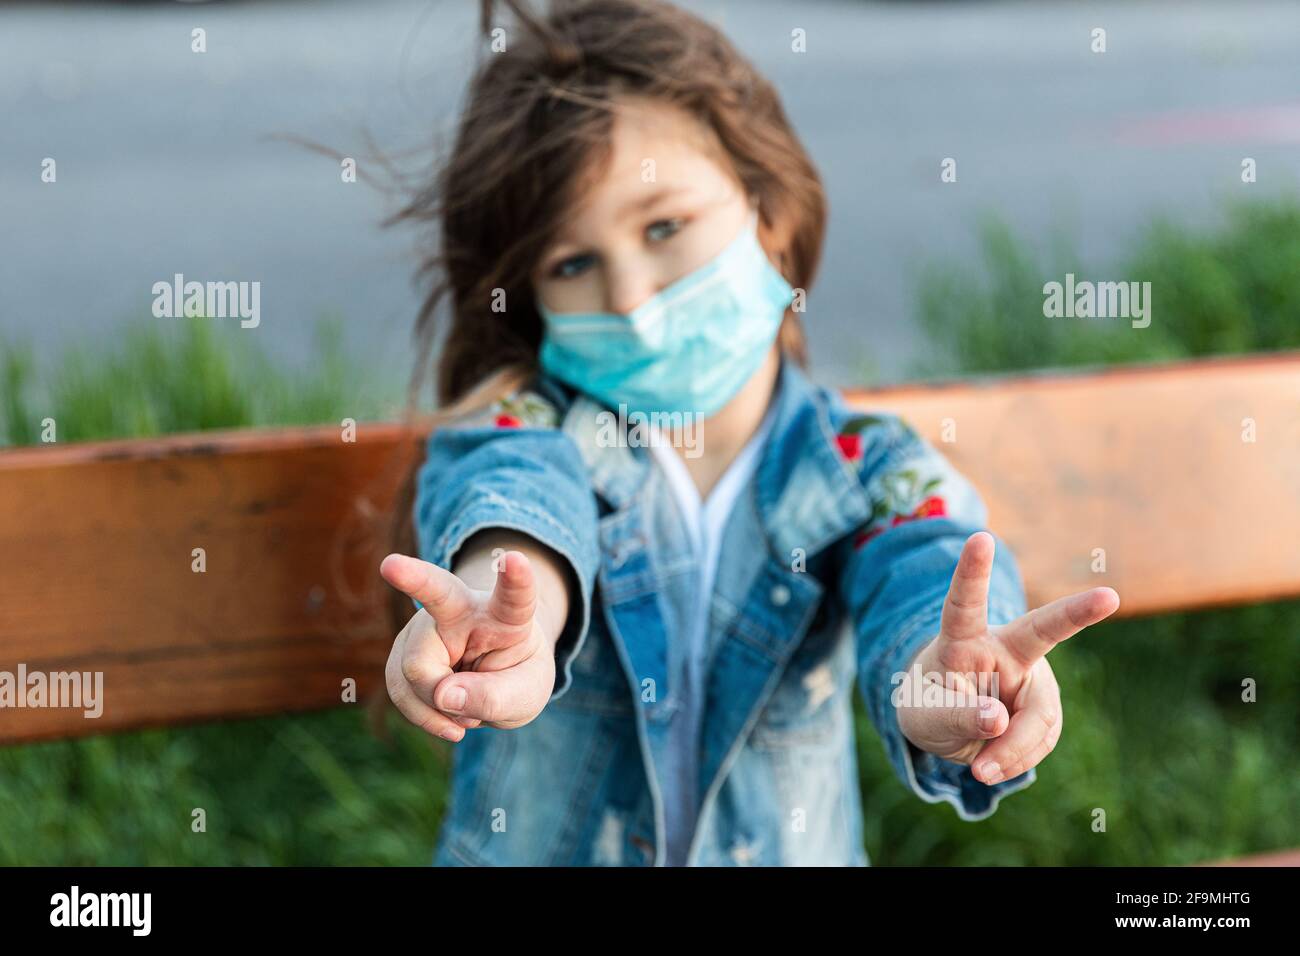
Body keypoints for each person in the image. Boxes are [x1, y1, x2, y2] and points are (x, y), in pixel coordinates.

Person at [379, 0, 1119, 866]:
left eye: (664, 228)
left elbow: (925, 570)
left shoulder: (867, 469)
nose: (633, 299)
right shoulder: (522, 425)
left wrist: (946, 678)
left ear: (769, 210)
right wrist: (514, 620)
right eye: (573, 264)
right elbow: (516, 509)